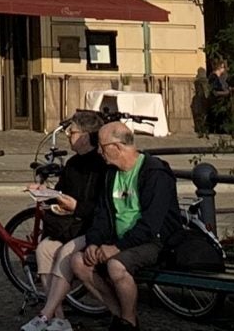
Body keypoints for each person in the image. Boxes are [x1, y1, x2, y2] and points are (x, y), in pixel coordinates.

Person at [74, 120, 181, 326]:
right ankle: (119, 317)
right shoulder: (111, 174)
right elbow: (102, 215)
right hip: (120, 238)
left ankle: (129, 321)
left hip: (155, 241)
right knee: (79, 262)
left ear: (117, 147)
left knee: (116, 266)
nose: (98, 152)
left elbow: (151, 225)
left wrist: (116, 247)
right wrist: (94, 242)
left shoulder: (155, 173)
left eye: (101, 146)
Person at [24, 110, 113, 330]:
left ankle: (45, 315)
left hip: (93, 228)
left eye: (71, 132)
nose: (68, 136)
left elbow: (105, 208)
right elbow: (61, 192)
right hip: (71, 226)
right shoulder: (73, 164)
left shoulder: (103, 165)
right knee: (44, 249)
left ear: (85, 136)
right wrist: (47, 193)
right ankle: (59, 319)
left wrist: (76, 206)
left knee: (65, 252)